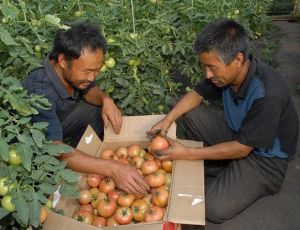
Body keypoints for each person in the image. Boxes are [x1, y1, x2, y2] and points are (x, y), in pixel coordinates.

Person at [150, 19, 298, 223]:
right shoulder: (227, 75)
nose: (207, 75)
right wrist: (168, 120)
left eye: (212, 67)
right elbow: (197, 94)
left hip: (266, 161)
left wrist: (188, 153)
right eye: (204, 67)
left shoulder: (268, 94)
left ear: (237, 59)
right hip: (240, 134)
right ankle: (225, 166)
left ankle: (248, 177)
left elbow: (242, 149)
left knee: (213, 208)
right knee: (191, 114)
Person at [23, 23, 149, 195]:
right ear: (62, 61)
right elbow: (54, 148)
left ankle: (84, 158)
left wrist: (106, 100)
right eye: (88, 71)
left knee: (98, 110)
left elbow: (89, 91)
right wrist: (113, 169)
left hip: (57, 123)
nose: (92, 77)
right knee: (49, 159)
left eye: (97, 71)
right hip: (33, 144)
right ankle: (55, 179)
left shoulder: (75, 72)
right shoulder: (40, 92)